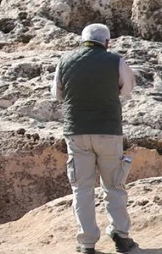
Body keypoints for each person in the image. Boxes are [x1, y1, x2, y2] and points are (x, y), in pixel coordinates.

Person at [52, 24, 137, 254]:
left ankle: (87, 243)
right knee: (114, 186)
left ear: (82, 41)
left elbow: (57, 94)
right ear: (107, 42)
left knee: (82, 189)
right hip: (108, 131)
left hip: (76, 132)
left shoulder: (65, 60)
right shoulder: (115, 61)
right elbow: (127, 89)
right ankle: (121, 236)